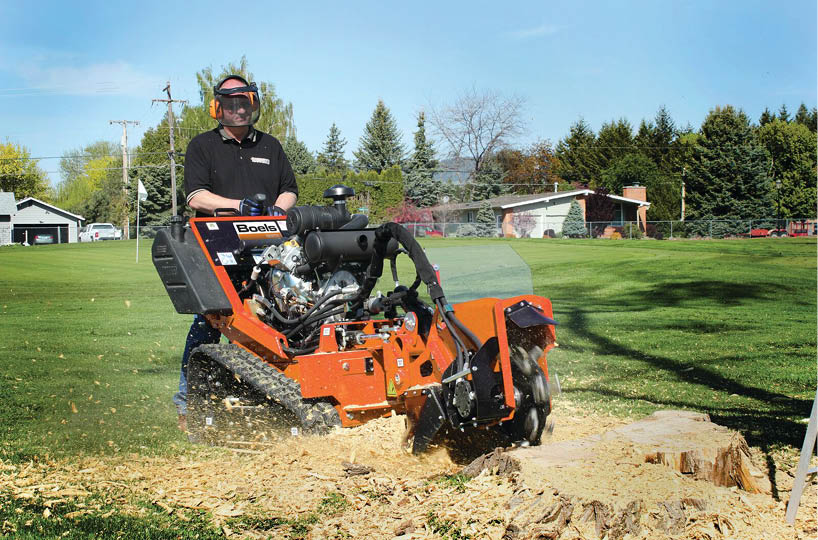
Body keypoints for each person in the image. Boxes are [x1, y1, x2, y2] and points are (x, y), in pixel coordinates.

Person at [175, 74, 298, 431]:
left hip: (268, 245)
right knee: (212, 322)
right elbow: (195, 196)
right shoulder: (203, 146)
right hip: (217, 244)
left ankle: (278, 392)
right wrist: (237, 206)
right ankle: (186, 402)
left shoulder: (270, 146)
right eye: (231, 104)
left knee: (279, 316)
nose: (238, 110)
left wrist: (278, 208)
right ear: (218, 108)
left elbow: (289, 189)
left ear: (253, 104)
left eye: (244, 103)